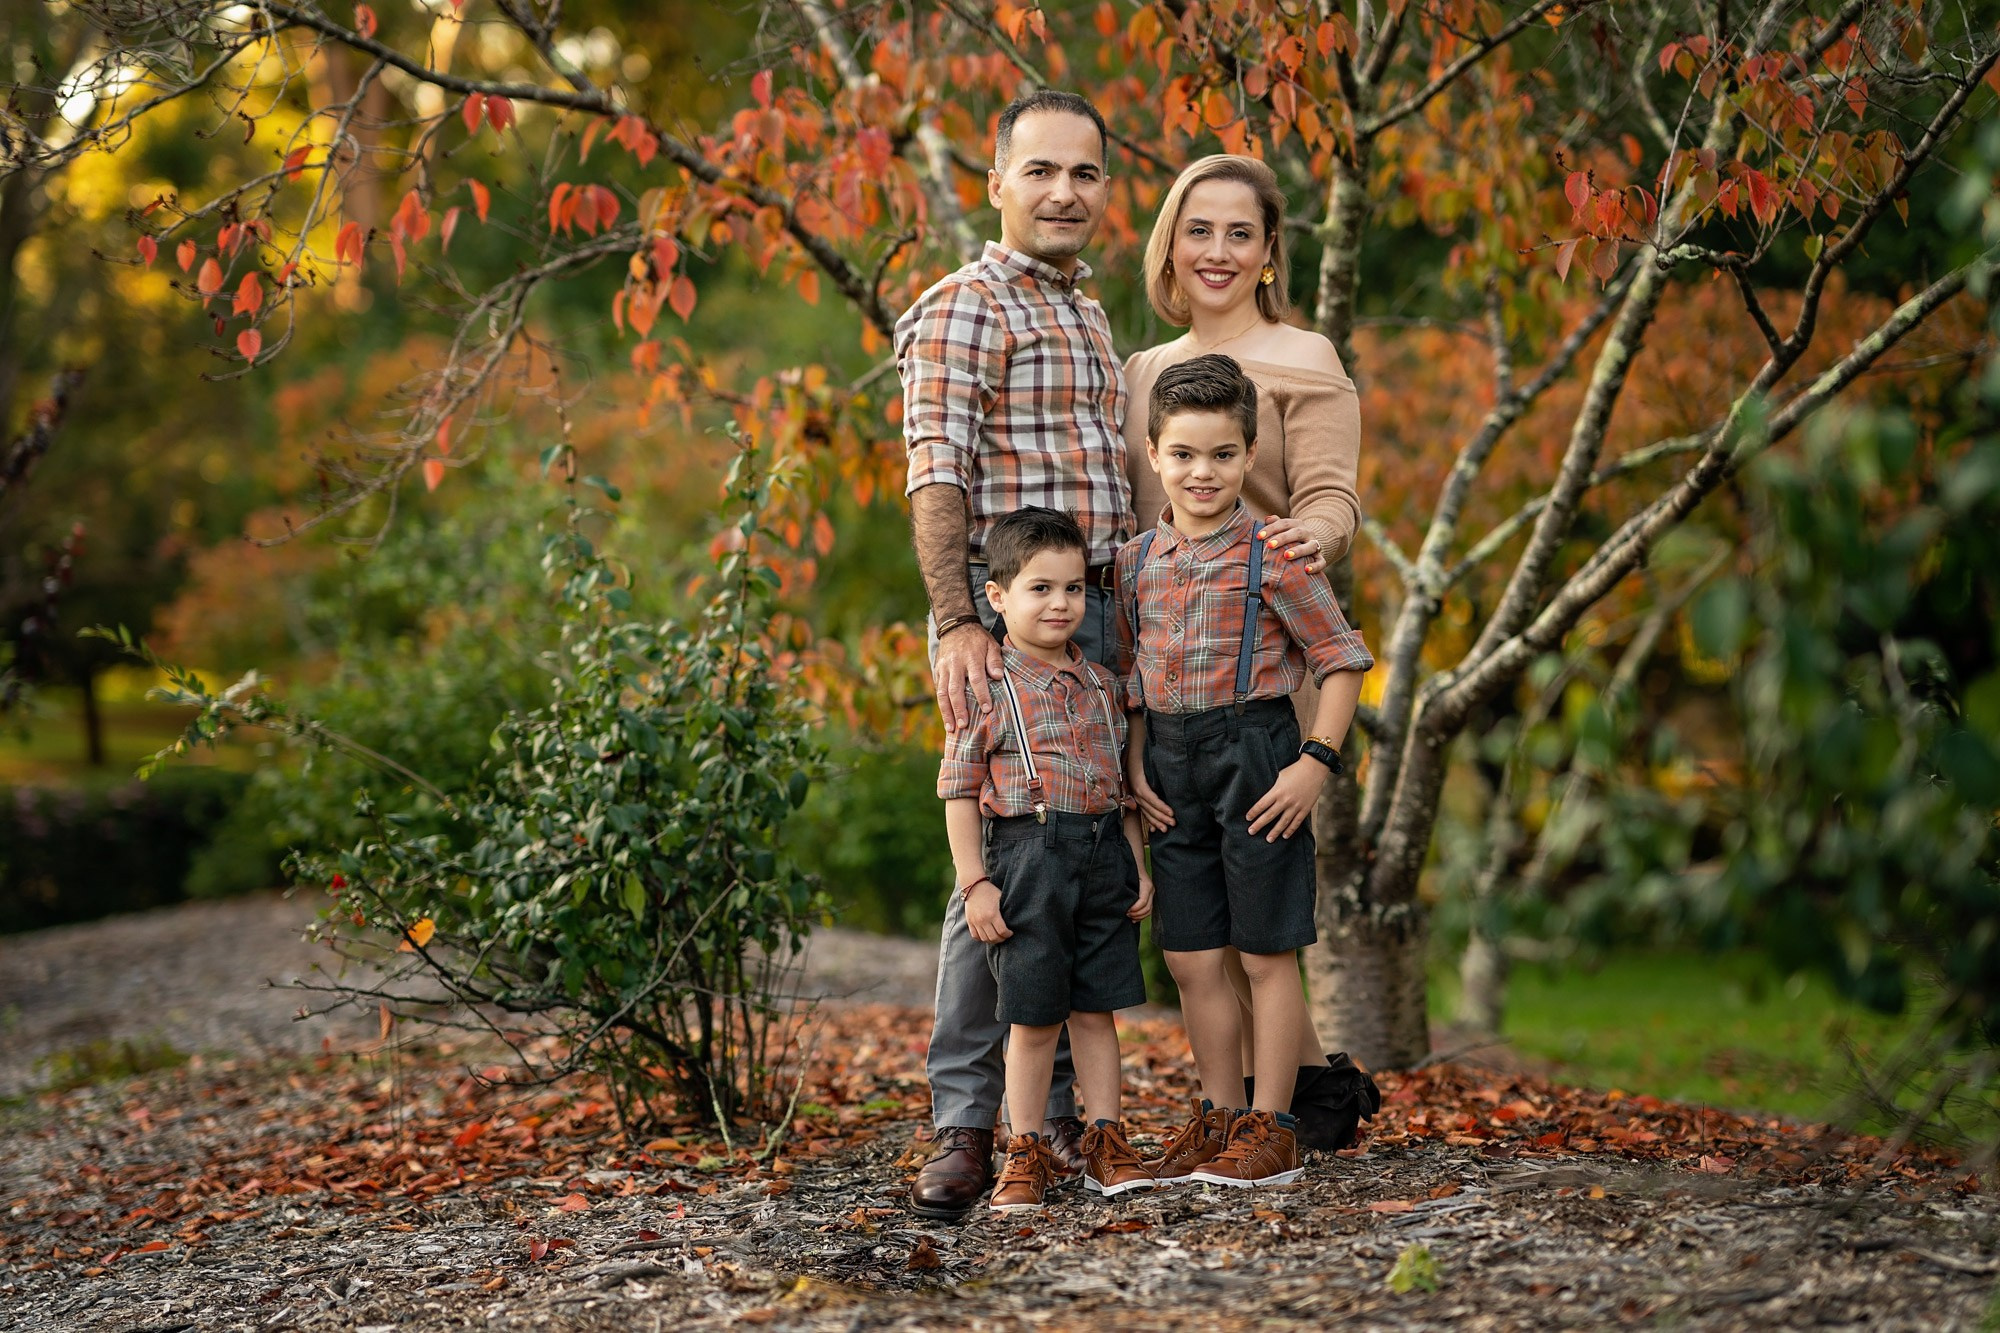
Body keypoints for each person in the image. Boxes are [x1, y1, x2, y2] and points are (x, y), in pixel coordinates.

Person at [898, 90, 1130, 1217]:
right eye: (1039, 170)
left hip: (1097, 624)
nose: (1063, 192)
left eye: (1083, 172)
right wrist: (957, 622)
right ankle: (965, 1122)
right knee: (994, 871)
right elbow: (936, 473)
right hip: (1006, 626)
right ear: (994, 182)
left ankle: (1059, 1123)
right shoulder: (966, 305)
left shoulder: (1087, 311)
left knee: (1075, 868)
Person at [1122, 154, 1363, 1145]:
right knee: (1201, 935)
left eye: (1239, 232)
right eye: (1198, 229)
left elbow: (1332, 495)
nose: (1216, 250)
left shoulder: (1305, 357)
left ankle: (1287, 1107)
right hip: (1169, 673)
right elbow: (1137, 522)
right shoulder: (1142, 372)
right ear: (1170, 246)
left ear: (1268, 251)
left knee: (1260, 928)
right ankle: (1289, 1098)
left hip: (1268, 664)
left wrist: (1311, 540)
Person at [939, 507, 1160, 1211]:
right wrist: (975, 882)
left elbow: (1122, 790)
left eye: (1072, 588)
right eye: (1040, 588)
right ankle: (1025, 1150)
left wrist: (1136, 866)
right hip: (1027, 858)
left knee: (1096, 1011)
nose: (1060, 603)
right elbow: (958, 790)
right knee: (1033, 1019)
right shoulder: (988, 687)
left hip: (1101, 854)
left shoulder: (1102, 684)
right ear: (997, 596)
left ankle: (1106, 1140)